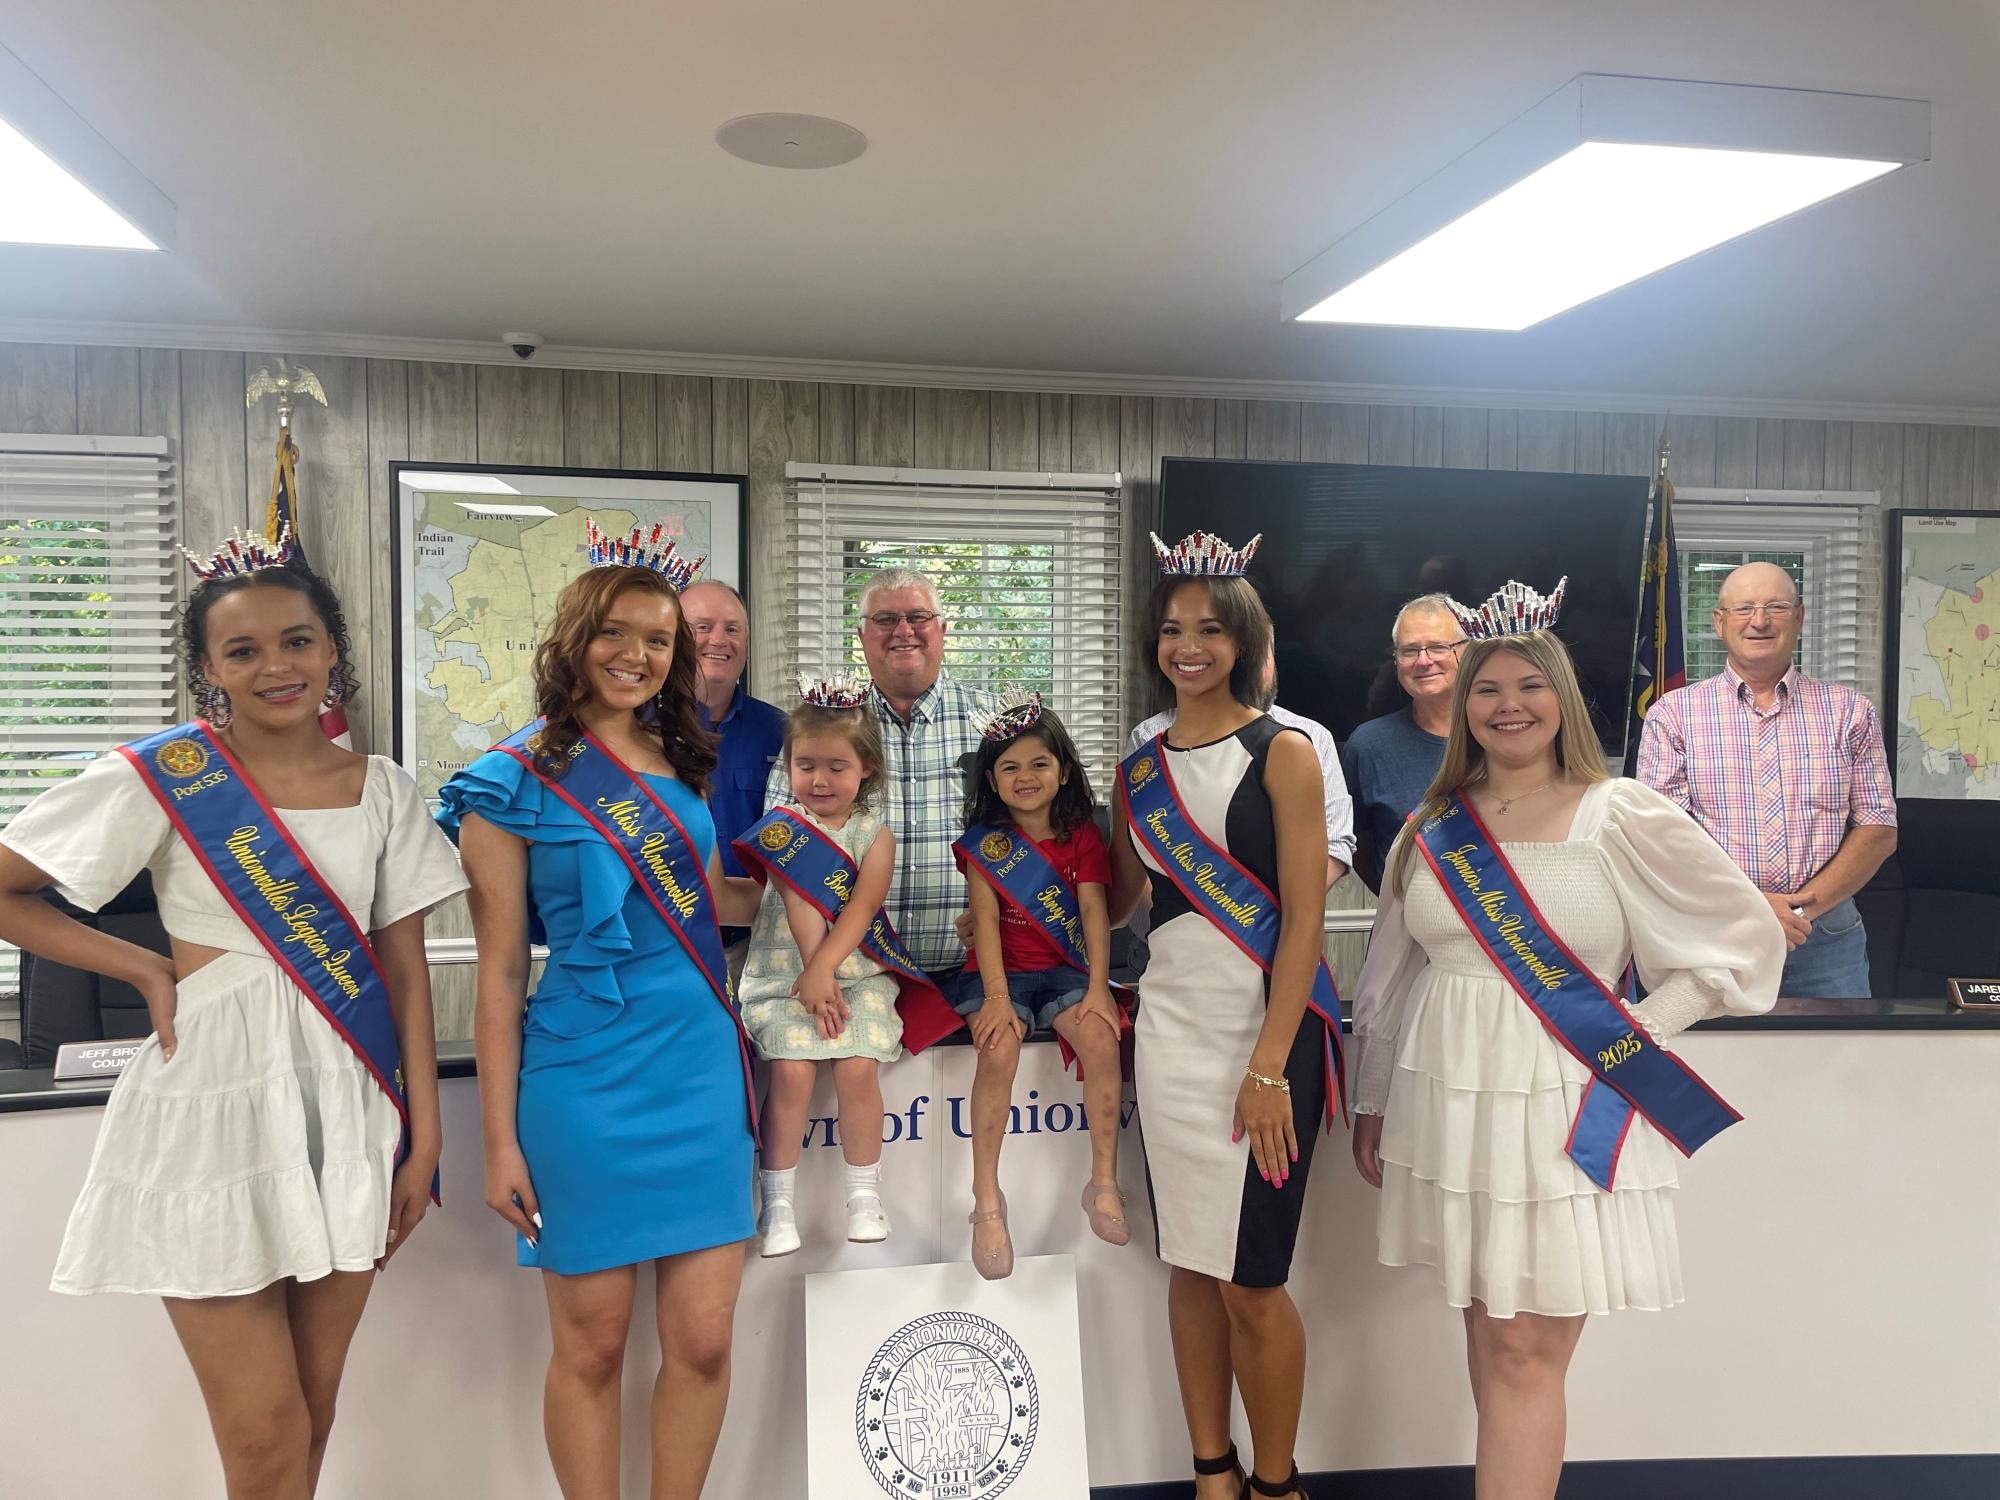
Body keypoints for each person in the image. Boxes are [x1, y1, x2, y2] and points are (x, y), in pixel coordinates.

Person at [0, 527, 465, 1498]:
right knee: (262, 1436)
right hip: (210, 1109)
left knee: (312, 1415)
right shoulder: (163, 774)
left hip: (345, 1113)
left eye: (296, 641)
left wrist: (422, 1142)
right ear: (210, 669)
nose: (275, 666)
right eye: (243, 650)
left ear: (332, 649)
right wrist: (141, 966)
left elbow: (404, 969)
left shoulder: (383, 790)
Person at [1350, 580, 1783, 1500]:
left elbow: (1742, 941)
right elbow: (1390, 977)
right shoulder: (1431, 827)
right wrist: (1372, 1098)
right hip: (1453, 1105)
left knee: (1521, 1350)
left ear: (1564, 697)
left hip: (1565, 1103)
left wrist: (1634, 1038)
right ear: (1461, 703)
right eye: (1487, 688)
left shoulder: (1619, 812)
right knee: (1487, 1333)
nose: (1508, 705)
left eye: (1529, 686)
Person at [439, 521, 765, 1500]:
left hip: (698, 1066)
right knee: (592, 1347)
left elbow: (705, 902)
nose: (636, 655)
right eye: (615, 633)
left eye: (658, 640)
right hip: (581, 1076)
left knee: (704, 1343)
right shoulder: (509, 781)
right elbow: (501, 971)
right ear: (574, 638)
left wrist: (830, 885)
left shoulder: (682, 758)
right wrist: (499, 1142)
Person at [1109, 530, 1336, 1500]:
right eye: (1171, 629)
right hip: (1169, 1033)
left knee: (1252, 1279)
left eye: (1208, 628)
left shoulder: (1284, 753)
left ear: (1242, 639)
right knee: (1192, 1264)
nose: (1187, 646)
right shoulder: (1137, 771)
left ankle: (1277, 1485)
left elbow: (1303, 923)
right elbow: (1121, 897)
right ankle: (1213, 1471)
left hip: (1265, 1039)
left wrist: (1269, 1065)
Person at [1636, 561, 1896, 998]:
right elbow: (1661, 840)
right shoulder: (1674, 715)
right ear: (1719, 622)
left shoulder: (1849, 711)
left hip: (1824, 941)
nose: (1759, 621)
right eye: (1744, 608)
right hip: (1712, 935)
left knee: (1836, 1047)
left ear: (1799, 617)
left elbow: (1878, 830)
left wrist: (1798, 912)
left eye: (1776, 606)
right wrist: (1752, 909)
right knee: (1706, 1046)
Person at [954, 694, 1127, 1279]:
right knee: (997, 1051)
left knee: (1101, 1042)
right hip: (997, 974)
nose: (1025, 777)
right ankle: (986, 1202)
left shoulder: (1082, 835)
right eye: (1009, 767)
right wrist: (997, 998)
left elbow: (1094, 912)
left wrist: (1098, 989)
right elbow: (983, 922)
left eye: (1038, 764)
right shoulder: (984, 840)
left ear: (1064, 770)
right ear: (991, 779)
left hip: (1066, 972)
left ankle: (1103, 1182)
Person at [766, 565, 996, 986]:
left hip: (975, 977)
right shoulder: (822, 728)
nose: (903, 630)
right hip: (851, 977)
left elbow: (1042, 836)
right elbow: (781, 847)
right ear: (861, 635)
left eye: (918, 617)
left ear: (942, 628)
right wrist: (821, 965)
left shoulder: (993, 724)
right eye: (885, 619)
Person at [735, 678, 901, 1257]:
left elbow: (861, 909)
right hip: (785, 976)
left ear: (866, 770)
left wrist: (826, 973)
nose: (820, 780)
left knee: (857, 1069)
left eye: (837, 767)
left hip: (858, 976)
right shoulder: (783, 829)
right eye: (806, 766)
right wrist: (813, 975)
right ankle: (777, 1204)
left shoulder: (874, 833)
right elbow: (800, 902)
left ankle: (864, 1196)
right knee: (791, 1073)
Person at [1128, 645, 1355, 890]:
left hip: (1281, 913)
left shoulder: (1313, 737)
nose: (1252, 669)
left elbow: (1335, 845)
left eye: (1261, 655)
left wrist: (1274, 910)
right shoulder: (1149, 738)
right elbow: (1132, 850)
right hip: (1173, 910)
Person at [681, 579, 786, 956]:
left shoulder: (782, 733)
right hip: (664, 944)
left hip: (757, 946)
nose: (718, 640)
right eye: (702, 627)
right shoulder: (641, 732)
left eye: (732, 629)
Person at [1341, 593, 1466, 892]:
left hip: (1501, 917)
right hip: (1404, 916)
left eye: (1438, 647)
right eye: (1409, 651)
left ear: (1468, 652)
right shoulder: (1368, 745)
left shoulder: (1503, 734)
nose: (1423, 661)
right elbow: (1361, 847)